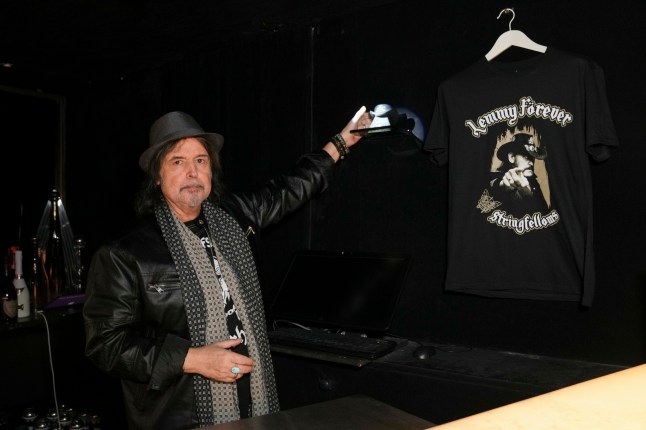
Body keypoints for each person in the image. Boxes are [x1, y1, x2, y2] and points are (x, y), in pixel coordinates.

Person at [83, 107, 372, 430]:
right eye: (178, 161)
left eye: (201, 161)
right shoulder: (125, 253)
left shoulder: (234, 217)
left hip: (253, 397)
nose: (193, 172)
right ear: (157, 175)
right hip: (180, 412)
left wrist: (340, 143)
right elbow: (105, 344)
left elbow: (290, 188)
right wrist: (190, 358)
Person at [488, 132, 548, 215]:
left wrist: (529, 195)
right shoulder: (496, 180)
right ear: (511, 157)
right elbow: (496, 184)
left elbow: (543, 212)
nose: (531, 163)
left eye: (532, 158)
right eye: (526, 157)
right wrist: (502, 185)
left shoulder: (534, 182)